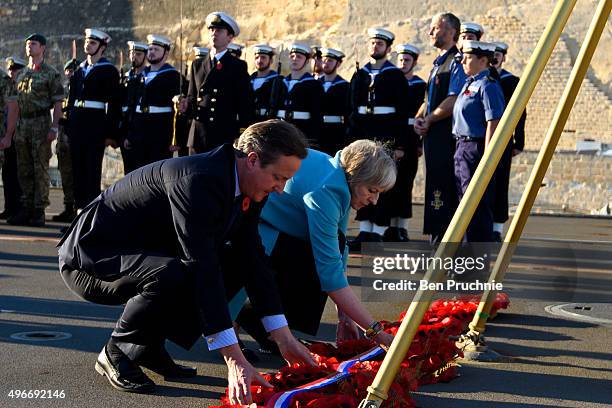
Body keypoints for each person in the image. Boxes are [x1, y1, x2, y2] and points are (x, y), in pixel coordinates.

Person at [58, 120, 315, 404]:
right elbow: (200, 265)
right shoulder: (199, 180)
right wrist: (233, 359)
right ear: (253, 160)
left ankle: (146, 346)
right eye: (279, 177)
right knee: (178, 273)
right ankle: (116, 349)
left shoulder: (249, 185)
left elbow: (251, 257)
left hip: (139, 255)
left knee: (232, 263)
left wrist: (283, 337)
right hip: (90, 260)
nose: (281, 188)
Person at [236, 140, 396, 353]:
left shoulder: (340, 178)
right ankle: (240, 320)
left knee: (330, 250)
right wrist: (377, 332)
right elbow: (330, 275)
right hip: (253, 227)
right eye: (371, 190)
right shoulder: (328, 191)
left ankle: (260, 321)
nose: (374, 200)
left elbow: (340, 248)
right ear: (355, 177)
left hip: (277, 228)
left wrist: (345, 316)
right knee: (317, 264)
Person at [347, 27, 410, 249]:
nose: (375, 47)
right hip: (365, 131)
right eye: (373, 43)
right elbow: (353, 108)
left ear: (388, 48)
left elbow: (403, 113)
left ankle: (379, 232)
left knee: (382, 182)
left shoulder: (395, 75)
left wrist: (400, 144)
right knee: (362, 178)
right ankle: (365, 232)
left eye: (380, 44)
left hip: (387, 132)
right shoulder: (361, 74)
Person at [414, 13, 467, 245]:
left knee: (444, 187)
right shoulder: (437, 64)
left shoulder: (456, 62)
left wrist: (430, 120)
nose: (430, 32)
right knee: (434, 184)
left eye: (435, 28)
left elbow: (453, 99)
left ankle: (445, 241)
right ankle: (436, 235)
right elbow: (429, 99)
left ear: (450, 31)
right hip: (433, 136)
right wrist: (419, 117)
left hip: (446, 136)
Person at [9, 34, 64, 227]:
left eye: (33, 44)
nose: (29, 47)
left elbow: (58, 102)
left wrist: (54, 127)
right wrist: (11, 131)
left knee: (40, 167)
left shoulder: (51, 73)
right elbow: (15, 103)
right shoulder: (22, 73)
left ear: (42, 48)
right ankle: (27, 207)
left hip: (40, 122)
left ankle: (39, 210)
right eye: (27, 44)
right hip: (23, 124)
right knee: (24, 168)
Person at [452, 41, 505, 243]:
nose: (463, 60)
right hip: (462, 147)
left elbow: (494, 122)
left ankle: (474, 260)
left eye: (468, 57)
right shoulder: (470, 83)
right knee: (464, 202)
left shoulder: (488, 86)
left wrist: (488, 157)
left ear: (483, 60)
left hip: (476, 148)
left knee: (475, 205)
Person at [181, 12, 253, 153]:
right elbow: (192, 97)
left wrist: (242, 135)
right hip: (198, 134)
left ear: (230, 37)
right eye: (212, 30)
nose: (214, 33)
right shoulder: (197, 64)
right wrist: (185, 105)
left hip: (223, 134)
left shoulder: (237, 66)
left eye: (219, 30)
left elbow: (245, 104)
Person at [66, 28, 121, 212]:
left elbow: (114, 104)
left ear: (102, 47)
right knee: (77, 170)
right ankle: (78, 213)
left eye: (93, 43)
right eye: (87, 42)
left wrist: (110, 133)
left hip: (94, 125)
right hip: (77, 124)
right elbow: (71, 100)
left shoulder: (109, 71)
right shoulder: (79, 69)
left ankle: (90, 214)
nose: (88, 45)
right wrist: (68, 125)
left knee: (91, 171)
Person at [386, 43, 426, 242]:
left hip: (411, 138)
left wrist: (420, 143)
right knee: (389, 183)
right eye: (401, 60)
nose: (403, 63)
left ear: (414, 62)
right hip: (393, 136)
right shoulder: (392, 82)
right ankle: (389, 226)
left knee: (405, 183)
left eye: (407, 60)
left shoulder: (420, 85)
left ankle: (402, 227)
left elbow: (423, 115)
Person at [125, 34, 180, 169]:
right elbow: (133, 106)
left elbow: (177, 111)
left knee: (157, 173)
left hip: (160, 133)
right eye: (150, 49)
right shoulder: (141, 76)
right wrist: (129, 135)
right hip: (139, 132)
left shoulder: (173, 76)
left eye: (156, 49)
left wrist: (176, 138)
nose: (151, 52)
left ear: (166, 53)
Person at [491, 41, 526, 241]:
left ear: (503, 58)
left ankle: (497, 228)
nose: (495, 58)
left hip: (503, 140)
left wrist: (518, 142)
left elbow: (520, 113)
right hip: (480, 138)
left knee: (500, 184)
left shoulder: (511, 81)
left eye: (499, 55)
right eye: (492, 54)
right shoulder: (481, 79)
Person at [274, 43, 324, 145]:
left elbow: (317, 114)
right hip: (281, 131)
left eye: (299, 57)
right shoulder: (280, 82)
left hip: (302, 131)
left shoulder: (313, 84)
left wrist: (313, 139)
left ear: (306, 62)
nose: (295, 59)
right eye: (292, 56)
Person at [53, 58, 80, 223]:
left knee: (75, 174)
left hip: (74, 137)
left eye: (73, 71)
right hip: (62, 138)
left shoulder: (80, 90)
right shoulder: (65, 91)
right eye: (69, 71)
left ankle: (76, 207)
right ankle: (68, 206)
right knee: (65, 173)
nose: (70, 73)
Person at [0, 57, 24, 220]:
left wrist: (9, 134)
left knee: (18, 173)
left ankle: (19, 208)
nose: (12, 72)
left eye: (15, 70)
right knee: (8, 174)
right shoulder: (8, 85)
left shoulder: (24, 87)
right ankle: (10, 207)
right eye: (11, 70)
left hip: (19, 134)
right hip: (7, 133)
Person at [119, 40, 148, 174]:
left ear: (145, 56)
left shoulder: (147, 78)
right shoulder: (126, 79)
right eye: (132, 53)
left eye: (138, 54)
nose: (134, 57)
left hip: (140, 134)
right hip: (124, 131)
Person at [318, 47, 350, 156]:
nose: (326, 63)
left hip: (335, 131)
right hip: (316, 129)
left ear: (338, 64)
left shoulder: (344, 86)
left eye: (330, 60)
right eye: (324, 60)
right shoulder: (314, 84)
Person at [250, 44, 279, 122]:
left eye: (263, 57)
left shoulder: (277, 81)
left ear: (271, 60)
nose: (259, 60)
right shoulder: (247, 80)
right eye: (257, 57)